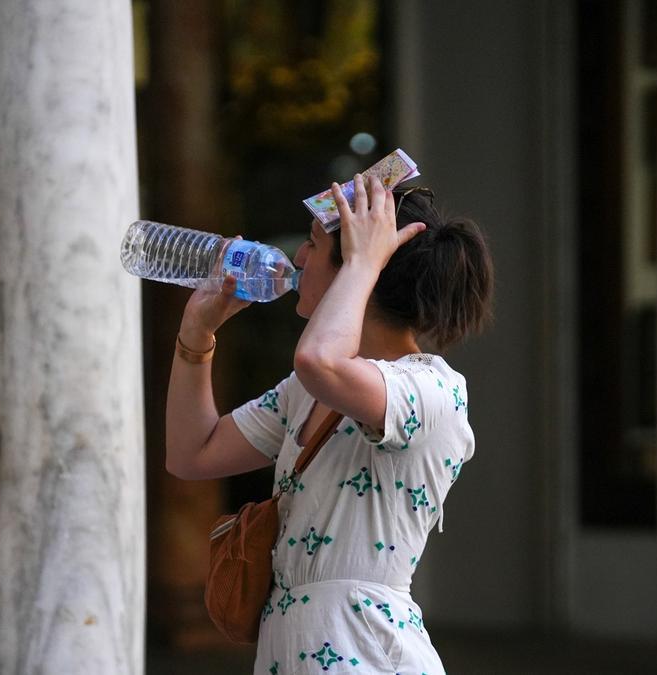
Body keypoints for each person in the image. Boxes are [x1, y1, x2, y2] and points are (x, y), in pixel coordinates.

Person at [164, 174, 494, 674]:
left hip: (365, 652)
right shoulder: (309, 390)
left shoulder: (431, 390)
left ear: (363, 268)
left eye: (314, 245)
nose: (297, 258)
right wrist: (196, 337)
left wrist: (363, 260)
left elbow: (318, 360)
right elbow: (192, 454)